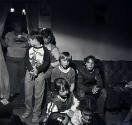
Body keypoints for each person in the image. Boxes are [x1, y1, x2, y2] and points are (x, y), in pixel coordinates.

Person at [21, 31, 50, 123]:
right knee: (28, 94)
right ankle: (28, 110)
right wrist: (30, 69)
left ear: (35, 40)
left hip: (40, 74)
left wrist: (38, 70)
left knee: (38, 95)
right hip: (29, 73)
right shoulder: (29, 48)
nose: (28, 41)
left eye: (30, 40)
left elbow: (46, 63)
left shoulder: (45, 50)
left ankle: (36, 113)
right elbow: (26, 60)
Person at [3, 21, 28, 102]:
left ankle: (21, 95)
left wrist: (13, 44)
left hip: (22, 60)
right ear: (13, 26)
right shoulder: (9, 34)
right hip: (11, 60)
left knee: (22, 77)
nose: (18, 27)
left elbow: (28, 44)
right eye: (16, 25)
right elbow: (5, 45)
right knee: (12, 77)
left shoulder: (25, 35)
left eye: (19, 25)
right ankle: (11, 94)